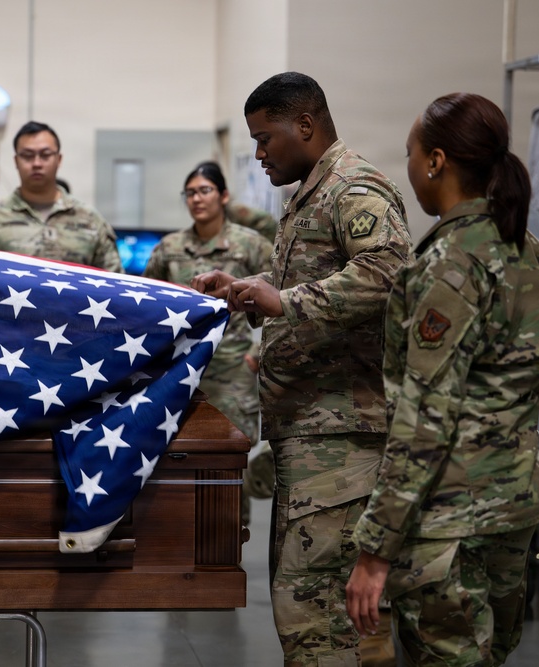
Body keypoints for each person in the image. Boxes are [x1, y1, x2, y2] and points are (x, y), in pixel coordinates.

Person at [191, 71, 412, 667]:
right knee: (316, 614)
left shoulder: (354, 188)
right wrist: (251, 288)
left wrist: (284, 301)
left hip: (342, 437)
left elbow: (389, 275)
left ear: (306, 125)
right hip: (310, 435)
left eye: (265, 139)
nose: (259, 154)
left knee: (313, 617)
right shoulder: (311, 193)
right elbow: (313, 289)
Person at [346, 93, 539, 667]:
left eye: (411, 155)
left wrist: (375, 550)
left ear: (437, 162)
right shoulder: (536, 257)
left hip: (448, 517)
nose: (411, 168)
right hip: (512, 506)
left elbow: (424, 422)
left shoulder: (449, 265)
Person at [142, 161, 272, 521]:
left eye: (205, 190)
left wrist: (256, 352)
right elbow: (149, 303)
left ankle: (229, 557)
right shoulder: (170, 248)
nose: (197, 199)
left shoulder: (250, 245)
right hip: (183, 373)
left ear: (224, 195)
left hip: (232, 372)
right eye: (190, 193)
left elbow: (283, 295)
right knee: (178, 462)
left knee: (229, 467)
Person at [0, 121, 123, 272]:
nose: (37, 163)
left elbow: (115, 285)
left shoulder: (90, 221)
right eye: (28, 156)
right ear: (16, 161)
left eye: (45, 155)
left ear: (59, 160)